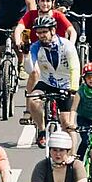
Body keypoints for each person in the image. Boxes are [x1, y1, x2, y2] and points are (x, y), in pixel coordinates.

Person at [24, 16, 81, 147]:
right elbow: (30, 70)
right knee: (33, 99)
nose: (41, 35)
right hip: (47, 82)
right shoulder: (35, 47)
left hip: (66, 84)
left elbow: (74, 67)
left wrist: (73, 89)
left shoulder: (66, 45)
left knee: (67, 124)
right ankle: (42, 130)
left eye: (44, 32)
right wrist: (26, 55)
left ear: (53, 31)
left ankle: (72, 156)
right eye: (38, 32)